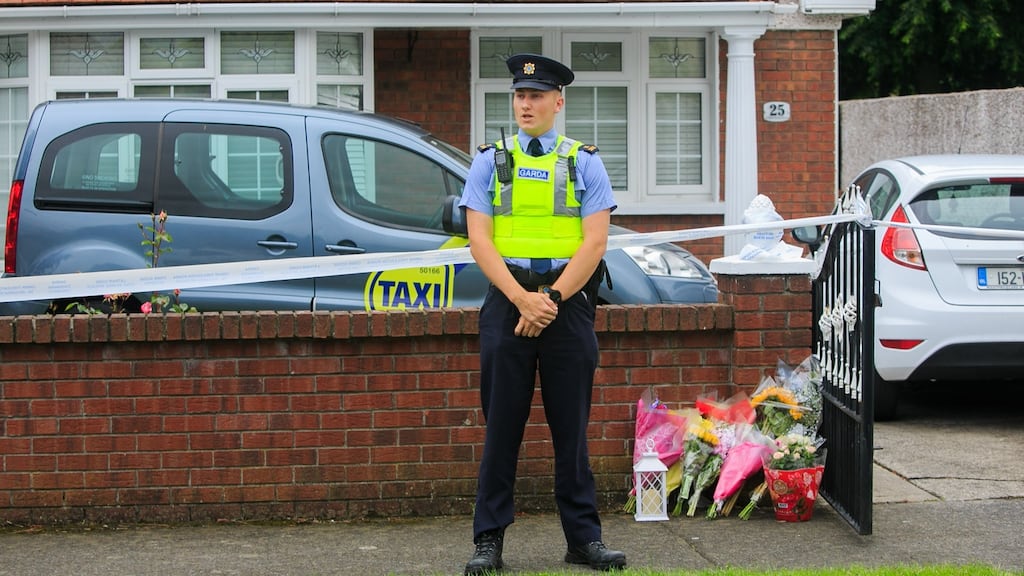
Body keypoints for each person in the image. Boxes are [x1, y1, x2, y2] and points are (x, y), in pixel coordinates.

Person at [459, 53, 627, 574]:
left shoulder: (584, 161)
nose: (525, 104)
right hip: (508, 302)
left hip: (566, 306)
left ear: (558, 102)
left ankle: (584, 540)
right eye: (519, 96)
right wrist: (521, 299)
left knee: (571, 432)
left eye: (535, 96)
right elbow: (478, 240)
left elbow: (595, 242)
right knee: (501, 430)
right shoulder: (490, 159)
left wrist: (549, 301)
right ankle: (488, 542)